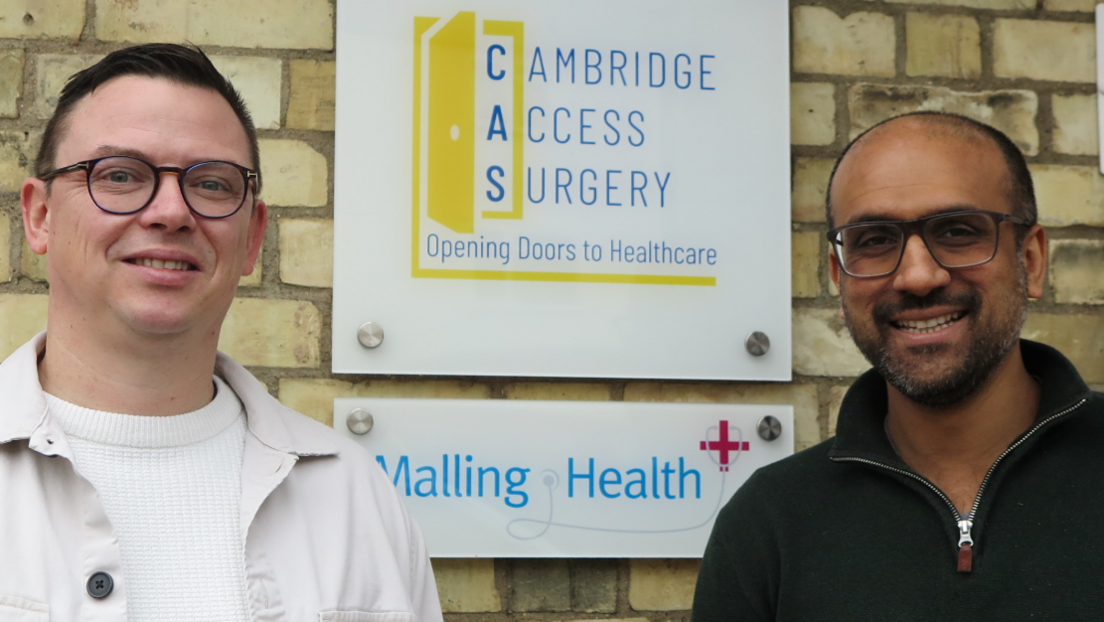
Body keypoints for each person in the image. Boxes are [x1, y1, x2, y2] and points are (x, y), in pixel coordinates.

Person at [1, 44, 442, 622]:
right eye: (119, 175)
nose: (169, 212)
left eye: (210, 184)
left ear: (253, 237)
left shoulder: (357, 496)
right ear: (40, 216)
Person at [692, 112, 1104, 620]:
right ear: (838, 280)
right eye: (875, 240)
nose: (917, 276)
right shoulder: (768, 524)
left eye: (957, 231)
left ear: (1032, 261)